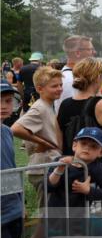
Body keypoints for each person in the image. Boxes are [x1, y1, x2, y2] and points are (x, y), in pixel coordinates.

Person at [1, 81, 37, 238]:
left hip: (11, 209)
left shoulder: (6, 132)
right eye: (0, 100)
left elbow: (12, 170)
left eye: (8, 101)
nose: (4, 106)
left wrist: (20, 202)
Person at [46, 128, 102, 234]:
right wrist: (59, 170)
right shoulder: (60, 161)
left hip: (79, 217)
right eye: (83, 143)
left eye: (93, 146)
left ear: (101, 152)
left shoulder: (97, 168)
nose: (87, 148)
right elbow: (48, 186)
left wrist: (88, 191)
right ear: (74, 145)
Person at [11, 66, 64, 204]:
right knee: (46, 212)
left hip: (48, 166)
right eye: (54, 86)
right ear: (40, 89)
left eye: (60, 85)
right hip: (42, 169)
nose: (59, 88)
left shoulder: (48, 105)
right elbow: (16, 128)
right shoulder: (39, 108)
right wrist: (43, 143)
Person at [57, 58, 102, 155]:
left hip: (72, 164)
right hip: (96, 166)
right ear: (98, 77)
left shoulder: (65, 104)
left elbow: (60, 142)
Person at [57, 35, 96, 113]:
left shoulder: (72, 76)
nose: (94, 52)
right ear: (78, 53)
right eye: (90, 49)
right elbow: (74, 113)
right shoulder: (70, 80)